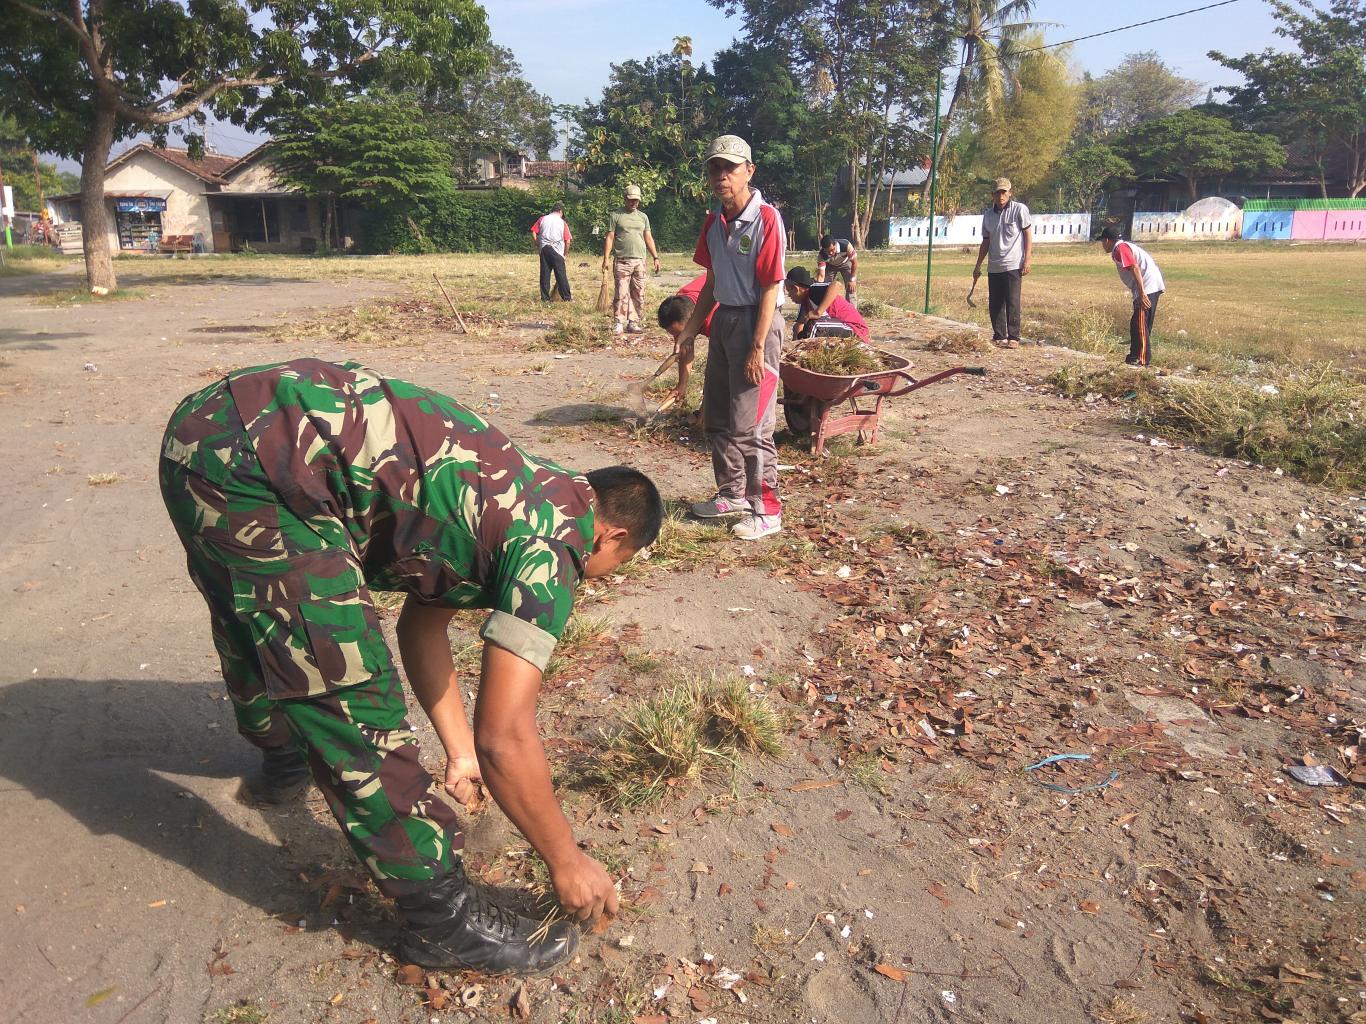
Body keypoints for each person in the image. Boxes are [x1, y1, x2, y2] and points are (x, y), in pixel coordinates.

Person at [158, 358, 664, 976]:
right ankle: (441, 918)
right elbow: (507, 737)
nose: (607, 578)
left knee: (256, 615)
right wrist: (567, 860)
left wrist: (458, 754)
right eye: (624, 562)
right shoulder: (553, 549)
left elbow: (422, 623)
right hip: (265, 465)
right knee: (346, 685)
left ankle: (282, 755)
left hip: (204, 433)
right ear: (611, 536)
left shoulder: (524, 485)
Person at [673, 134, 786, 542]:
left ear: (749, 172)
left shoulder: (767, 219)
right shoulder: (714, 221)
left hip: (759, 322)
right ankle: (732, 493)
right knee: (718, 417)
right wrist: (689, 330)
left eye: (730, 168)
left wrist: (757, 348)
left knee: (751, 425)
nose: (722, 176)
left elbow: (771, 287)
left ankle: (766, 509)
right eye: (715, 168)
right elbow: (711, 280)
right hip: (723, 321)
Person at [972, 177, 1032, 348]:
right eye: (998, 192)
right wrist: (978, 265)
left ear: (1010, 193)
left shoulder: (1019, 210)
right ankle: (999, 335)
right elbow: (986, 241)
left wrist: (1027, 258)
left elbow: (1027, 235)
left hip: (1013, 263)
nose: (1001, 196)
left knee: (1012, 301)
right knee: (995, 303)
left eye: (1004, 192)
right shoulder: (988, 215)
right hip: (994, 265)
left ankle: (1014, 337)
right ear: (993, 194)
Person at [1099, 226, 1165, 367]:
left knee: (1140, 324)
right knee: (1136, 323)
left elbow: (1134, 267)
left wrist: (1142, 293)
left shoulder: (1120, 248)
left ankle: (1142, 360)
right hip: (1147, 285)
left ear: (1107, 240)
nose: (1102, 245)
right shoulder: (1121, 247)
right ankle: (1134, 356)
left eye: (1102, 242)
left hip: (1147, 286)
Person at [602, 185, 661, 334]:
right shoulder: (616, 215)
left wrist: (655, 257)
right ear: (625, 199)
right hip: (622, 260)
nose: (633, 203)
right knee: (621, 292)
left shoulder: (643, 217)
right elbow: (610, 237)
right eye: (631, 200)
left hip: (639, 261)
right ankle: (619, 322)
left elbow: (648, 237)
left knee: (639, 293)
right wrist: (606, 259)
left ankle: (633, 322)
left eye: (636, 200)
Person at [656, 274, 717, 410]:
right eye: (676, 335)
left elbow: (720, 366)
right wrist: (681, 385)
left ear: (693, 319)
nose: (678, 338)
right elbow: (685, 350)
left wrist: (706, 407)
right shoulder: (678, 307)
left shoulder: (715, 317)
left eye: (680, 334)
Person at [784, 266, 869, 342]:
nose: (789, 296)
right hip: (842, 328)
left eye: (789, 291)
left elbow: (836, 285)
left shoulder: (813, 290)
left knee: (814, 325)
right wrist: (795, 344)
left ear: (796, 289)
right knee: (805, 330)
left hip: (855, 330)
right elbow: (799, 325)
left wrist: (818, 312)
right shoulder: (805, 302)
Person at [531, 203, 572, 302]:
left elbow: (533, 231)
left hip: (544, 248)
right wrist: (564, 254)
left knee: (545, 274)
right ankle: (567, 298)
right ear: (561, 212)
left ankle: (545, 298)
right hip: (557, 250)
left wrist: (537, 242)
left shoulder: (542, 219)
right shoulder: (562, 222)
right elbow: (568, 241)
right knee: (561, 274)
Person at [816, 235, 859, 306]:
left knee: (851, 287)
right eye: (828, 251)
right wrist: (818, 287)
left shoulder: (846, 245)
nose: (831, 253)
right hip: (830, 266)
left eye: (832, 250)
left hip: (846, 263)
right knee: (826, 287)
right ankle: (829, 309)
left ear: (835, 244)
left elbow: (855, 263)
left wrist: (852, 280)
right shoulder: (821, 255)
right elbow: (821, 275)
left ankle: (852, 311)